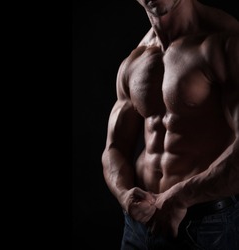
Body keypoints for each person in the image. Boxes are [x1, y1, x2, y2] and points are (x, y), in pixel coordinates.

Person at [101, 0, 239, 249]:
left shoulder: (226, 41)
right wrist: (124, 195)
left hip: (205, 227)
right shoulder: (135, 60)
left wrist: (180, 198)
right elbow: (115, 147)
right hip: (138, 227)